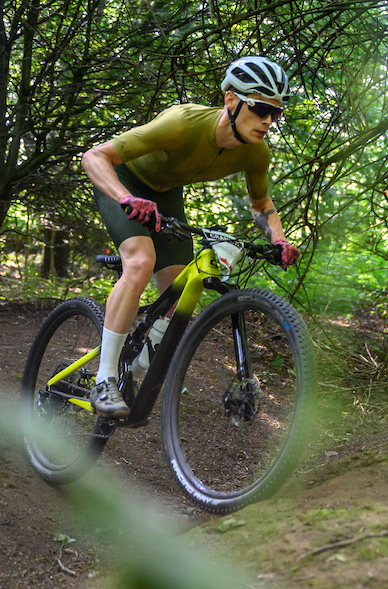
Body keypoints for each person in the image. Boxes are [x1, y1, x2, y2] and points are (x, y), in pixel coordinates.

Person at [80, 56, 300, 418]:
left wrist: (278, 238)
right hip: (123, 182)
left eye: (276, 114)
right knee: (140, 263)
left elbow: (260, 202)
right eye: (261, 108)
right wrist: (126, 198)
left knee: (178, 292)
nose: (267, 121)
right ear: (231, 100)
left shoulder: (256, 152)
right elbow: (94, 157)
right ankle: (103, 380)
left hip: (165, 196)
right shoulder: (181, 123)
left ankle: (134, 369)